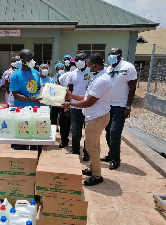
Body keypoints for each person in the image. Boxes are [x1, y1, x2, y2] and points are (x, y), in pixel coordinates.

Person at [62, 53, 111, 186]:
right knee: (95, 145)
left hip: (97, 117)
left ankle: (97, 175)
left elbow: (88, 102)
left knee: (90, 147)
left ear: (95, 65)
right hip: (94, 116)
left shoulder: (102, 80)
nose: (88, 68)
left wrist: (70, 104)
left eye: (89, 66)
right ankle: (92, 168)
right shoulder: (97, 76)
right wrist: (72, 96)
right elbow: (86, 97)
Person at [101, 48, 137, 170]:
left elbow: (132, 88)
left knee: (114, 132)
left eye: (113, 54)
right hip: (107, 105)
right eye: (109, 54)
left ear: (119, 55)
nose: (110, 56)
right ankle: (111, 154)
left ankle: (116, 159)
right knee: (107, 131)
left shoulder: (128, 67)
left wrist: (128, 107)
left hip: (120, 106)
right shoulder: (109, 69)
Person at [9, 49, 41, 151]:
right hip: (22, 112)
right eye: (29, 58)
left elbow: (39, 88)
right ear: (23, 60)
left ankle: (34, 157)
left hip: (35, 111)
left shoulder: (36, 73)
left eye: (32, 58)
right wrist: (32, 100)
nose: (32, 60)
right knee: (23, 137)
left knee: (35, 137)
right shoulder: (16, 75)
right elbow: (16, 95)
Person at [67, 52, 90, 161]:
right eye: (77, 59)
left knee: (88, 131)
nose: (79, 61)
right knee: (76, 130)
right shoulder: (72, 73)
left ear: (87, 60)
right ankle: (75, 149)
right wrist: (67, 105)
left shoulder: (91, 72)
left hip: (88, 106)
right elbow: (69, 90)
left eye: (82, 59)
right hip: (75, 106)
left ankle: (87, 152)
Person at [54, 62, 71, 148]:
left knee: (65, 122)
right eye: (58, 69)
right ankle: (62, 139)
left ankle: (65, 140)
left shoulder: (67, 77)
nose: (60, 70)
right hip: (56, 102)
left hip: (66, 102)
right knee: (59, 121)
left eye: (62, 69)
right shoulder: (54, 78)